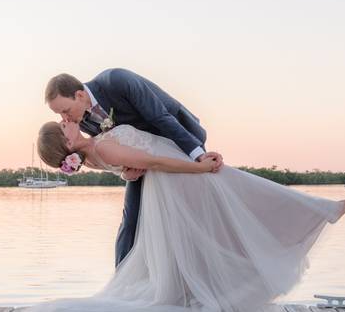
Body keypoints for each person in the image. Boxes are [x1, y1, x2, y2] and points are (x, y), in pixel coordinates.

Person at [4, 119, 345, 312]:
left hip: (169, 185)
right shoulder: (102, 146)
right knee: (237, 190)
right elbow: (155, 161)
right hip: (177, 178)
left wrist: (131, 171)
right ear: (66, 143)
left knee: (216, 222)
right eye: (62, 124)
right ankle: (320, 211)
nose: (67, 120)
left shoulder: (97, 149)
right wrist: (197, 169)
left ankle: (312, 214)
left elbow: (133, 169)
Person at [45, 69, 222, 268]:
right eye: (59, 114)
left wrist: (198, 156)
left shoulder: (116, 81)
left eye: (65, 110)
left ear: (79, 95)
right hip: (145, 162)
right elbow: (111, 152)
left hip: (177, 141)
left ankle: (210, 268)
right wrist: (125, 172)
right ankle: (122, 282)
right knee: (131, 219)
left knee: (194, 213)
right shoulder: (81, 122)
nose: (64, 118)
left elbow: (160, 117)